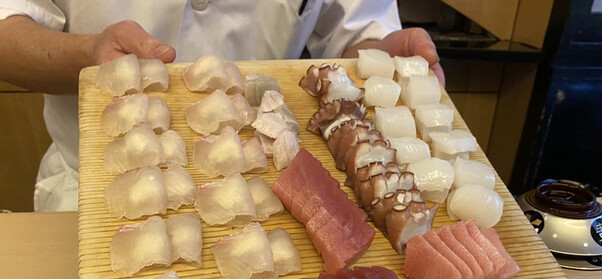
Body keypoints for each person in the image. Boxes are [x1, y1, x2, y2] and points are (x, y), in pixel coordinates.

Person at [0, 1, 445, 212]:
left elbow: (358, 30)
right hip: (92, 189)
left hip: (271, 182)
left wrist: (380, 59)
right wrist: (88, 54)